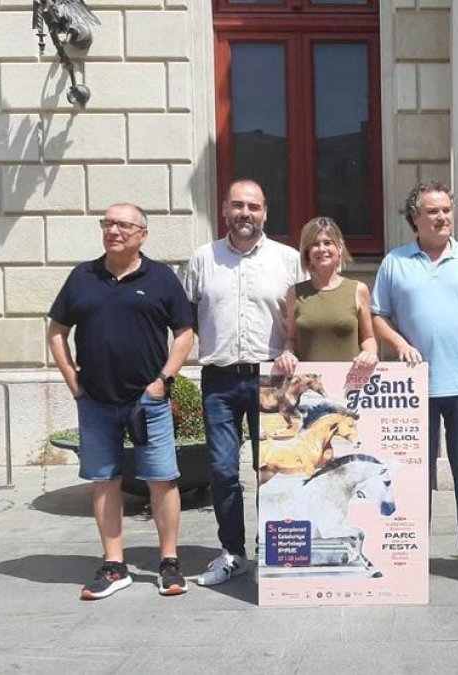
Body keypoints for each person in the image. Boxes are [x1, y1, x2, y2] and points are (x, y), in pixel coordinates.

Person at [47, 203, 195, 600]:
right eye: (108, 223)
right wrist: (72, 380)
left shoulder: (161, 278)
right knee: (104, 480)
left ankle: (169, 563)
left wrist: (164, 380)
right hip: (95, 400)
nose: (114, 230)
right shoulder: (82, 277)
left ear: (142, 234)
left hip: (147, 401)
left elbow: (184, 332)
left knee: (162, 479)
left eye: (123, 225)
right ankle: (114, 565)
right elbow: (57, 331)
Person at [370, 182, 458, 583]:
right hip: (414, 390)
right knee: (416, 472)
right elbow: (377, 315)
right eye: (433, 211)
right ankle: (413, 552)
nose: (442, 217)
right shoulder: (395, 263)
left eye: (447, 210)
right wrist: (398, 343)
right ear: (414, 218)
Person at [183, 178, 302, 586]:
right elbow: (188, 317)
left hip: (271, 379)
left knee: (273, 469)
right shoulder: (203, 258)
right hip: (219, 379)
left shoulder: (287, 260)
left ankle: (271, 550)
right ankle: (232, 552)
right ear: (224, 210)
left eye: (253, 206)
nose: (245, 214)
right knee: (221, 470)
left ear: (265, 212)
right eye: (237, 206)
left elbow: (301, 318)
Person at [274, 216, 379, 373]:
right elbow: (291, 338)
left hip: (350, 386)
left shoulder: (358, 290)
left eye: (328, 243)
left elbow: (368, 338)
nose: (322, 249)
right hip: (308, 387)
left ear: (339, 248)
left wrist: (370, 355)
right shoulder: (295, 293)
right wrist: (287, 354)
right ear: (307, 253)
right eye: (315, 244)